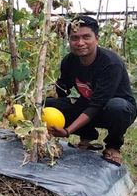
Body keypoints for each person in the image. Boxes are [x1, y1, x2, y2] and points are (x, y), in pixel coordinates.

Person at [46, 15, 136, 166]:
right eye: (74, 38)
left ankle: (113, 146)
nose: (80, 43)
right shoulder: (69, 61)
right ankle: (87, 135)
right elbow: (63, 89)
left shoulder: (110, 63)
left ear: (97, 38)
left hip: (116, 111)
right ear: (69, 40)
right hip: (89, 105)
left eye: (86, 37)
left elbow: (97, 104)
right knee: (48, 104)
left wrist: (67, 131)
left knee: (117, 107)